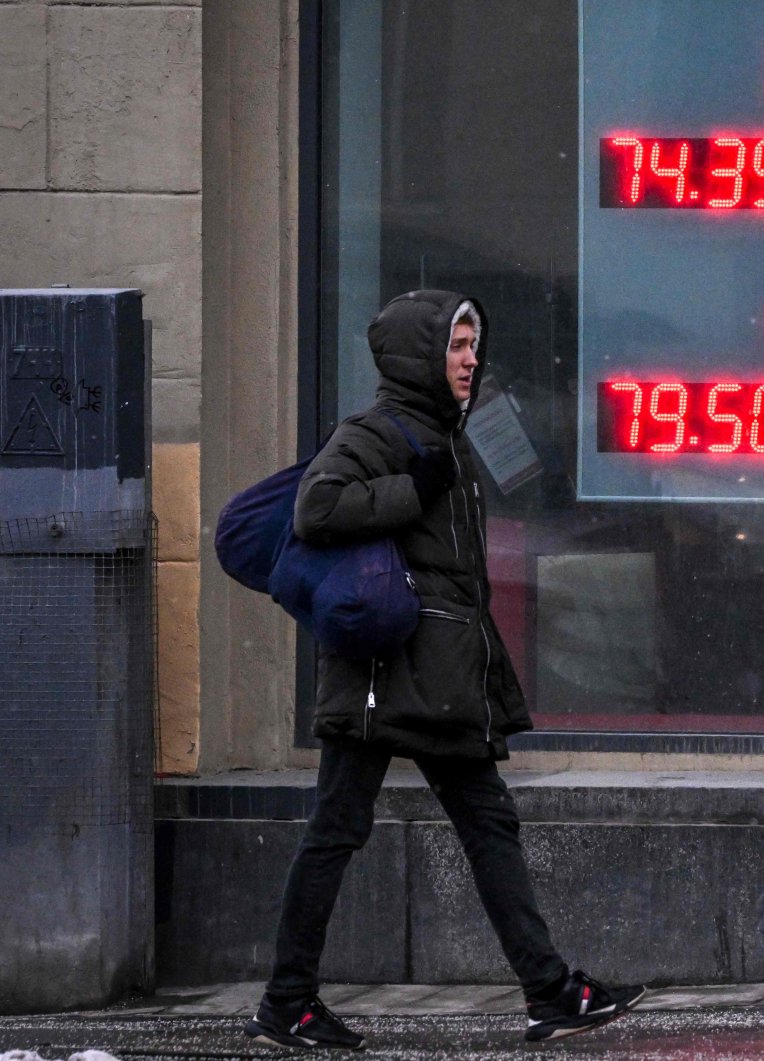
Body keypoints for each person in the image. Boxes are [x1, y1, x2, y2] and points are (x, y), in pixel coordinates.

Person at [244, 290, 645, 1050]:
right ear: (419, 355)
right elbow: (316, 510)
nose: (469, 360)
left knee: (487, 823)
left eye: (472, 345)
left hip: (437, 676)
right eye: (456, 346)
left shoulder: (446, 435)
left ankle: (550, 989)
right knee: (338, 828)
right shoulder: (375, 433)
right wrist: (413, 488)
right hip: (382, 673)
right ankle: (287, 999)